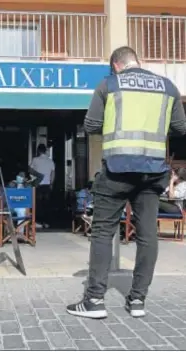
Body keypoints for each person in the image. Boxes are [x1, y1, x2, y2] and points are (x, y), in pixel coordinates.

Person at [67, 46, 186, 319]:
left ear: (116, 65)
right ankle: (137, 301)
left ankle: (94, 300)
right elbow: (181, 128)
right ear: (137, 61)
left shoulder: (109, 85)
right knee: (147, 235)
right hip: (153, 171)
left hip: (117, 170)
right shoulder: (167, 87)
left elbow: (91, 124)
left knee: (102, 232)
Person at [30, 144, 55, 228]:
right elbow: (53, 174)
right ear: (45, 151)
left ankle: (38, 222)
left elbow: (30, 170)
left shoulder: (35, 160)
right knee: (47, 205)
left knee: (38, 204)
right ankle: (46, 222)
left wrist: (34, 178)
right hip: (47, 185)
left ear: (38, 151)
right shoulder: (50, 161)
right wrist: (51, 183)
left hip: (38, 185)